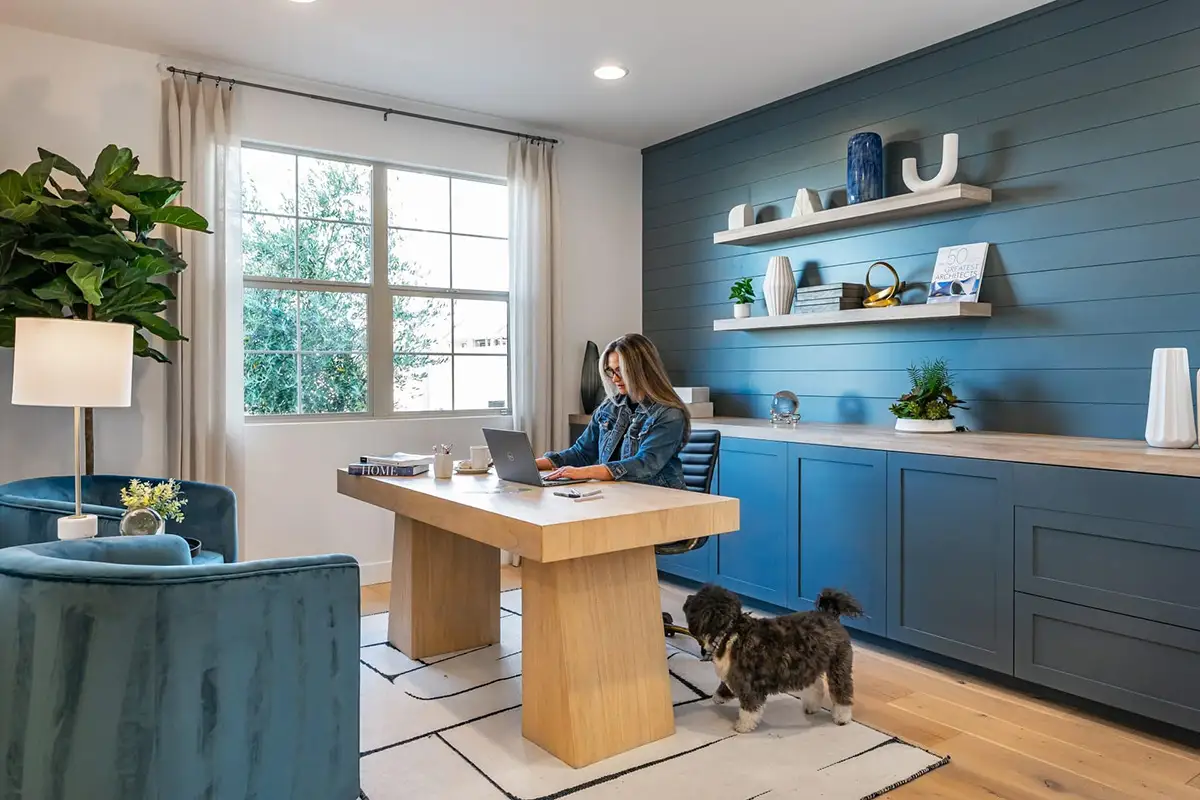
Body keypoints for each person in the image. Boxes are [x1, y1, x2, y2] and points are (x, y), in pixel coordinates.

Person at [535, 333, 691, 489]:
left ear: (643, 370)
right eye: (611, 371)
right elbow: (581, 453)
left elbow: (644, 464)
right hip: (620, 494)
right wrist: (532, 465)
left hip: (662, 499)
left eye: (620, 371)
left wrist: (586, 472)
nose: (614, 379)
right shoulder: (609, 407)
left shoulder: (669, 414)